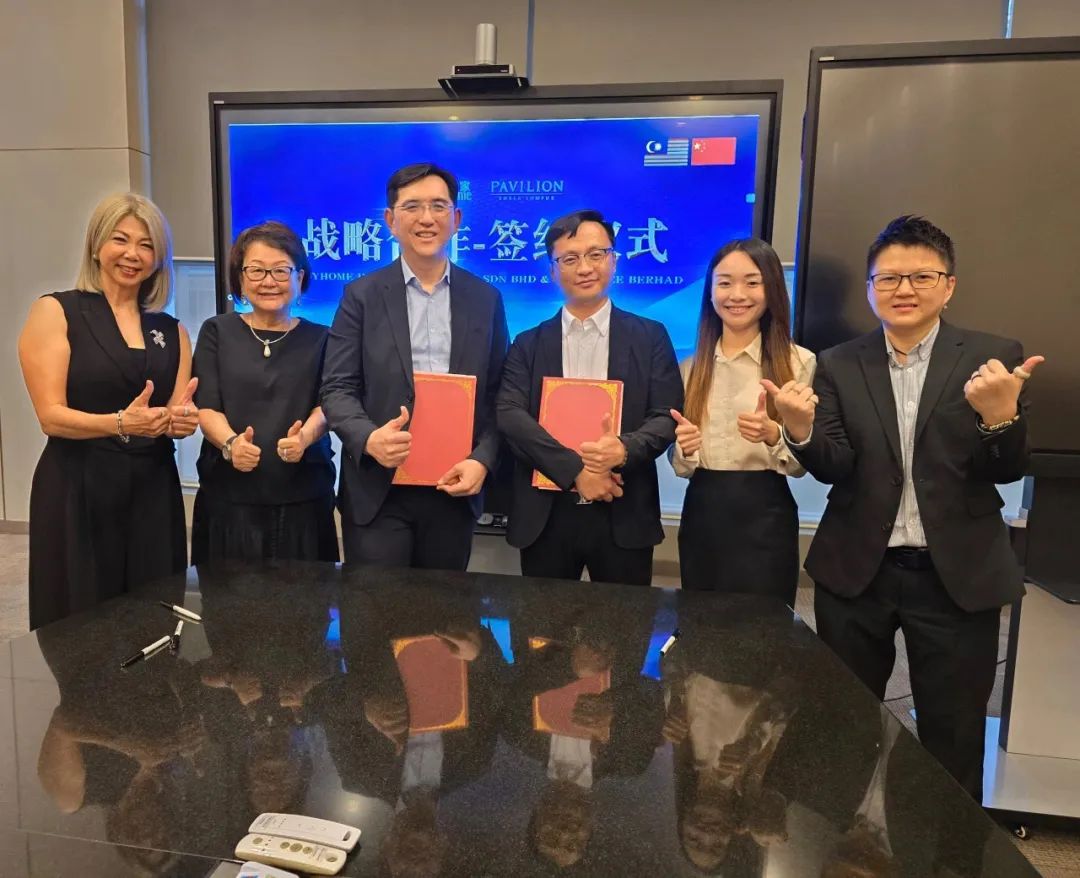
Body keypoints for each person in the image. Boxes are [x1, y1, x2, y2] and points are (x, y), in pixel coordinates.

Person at [769, 215, 1044, 799]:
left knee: (952, 733)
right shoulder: (839, 362)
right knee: (842, 721)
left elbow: (1006, 469)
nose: (904, 289)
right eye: (888, 278)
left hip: (956, 575)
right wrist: (799, 431)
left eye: (922, 276)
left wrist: (1001, 418)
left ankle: (944, 846)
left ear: (949, 285)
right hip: (857, 572)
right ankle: (840, 840)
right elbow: (836, 465)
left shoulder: (992, 356)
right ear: (871, 288)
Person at [18, 193, 198, 630]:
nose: (132, 254)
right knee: (78, 623)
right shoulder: (56, 311)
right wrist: (119, 423)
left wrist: (181, 422)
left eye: (146, 245)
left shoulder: (171, 329)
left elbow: (175, 414)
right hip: (77, 486)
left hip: (153, 490)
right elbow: (50, 416)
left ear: (159, 258)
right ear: (97, 245)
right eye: (121, 239)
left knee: (154, 615)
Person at [321, 162, 508, 570]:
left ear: (457, 219)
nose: (426, 218)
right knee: (375, 606)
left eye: (439, 206)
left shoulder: (485, 299)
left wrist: (482, 459)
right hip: (379, 490)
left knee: (445, 608)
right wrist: (369, 438)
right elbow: (337, 388)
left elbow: (501, 396)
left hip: (453, 485)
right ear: (390, 220)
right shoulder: (361, 295)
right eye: (412, 207)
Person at [496, 209, 683, 585]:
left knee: (624, 620)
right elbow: (509, 414)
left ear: (614, 260)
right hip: (546, 514)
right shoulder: (527, 343)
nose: (585, 267)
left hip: (623, 506)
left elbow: (666, 415)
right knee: (543, 620)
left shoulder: (650, 337)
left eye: (596, 254)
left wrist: (623, 449)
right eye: (569, 258)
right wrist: (576, 472)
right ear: (552, 271)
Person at [669, 238, 816, 603]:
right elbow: (681, 465)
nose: (737, 295)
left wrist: (774, 434)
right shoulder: (690, 368)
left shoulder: (799, 363)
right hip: (702, 510)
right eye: (724, 283)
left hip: (766, 514)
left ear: (772, 289)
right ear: (710, 292)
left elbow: (803, 464)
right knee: (700, 617)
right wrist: (684, 449)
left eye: (752, 282)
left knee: (765, 624)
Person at [190, 221, 337, 564]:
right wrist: (231, 444)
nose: (268, 281)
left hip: (304, 500)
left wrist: (305, 438)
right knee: (228, 596)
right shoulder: (217, 331)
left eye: (281, 270)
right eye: (256, 270)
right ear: (240, 279)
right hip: (230, 500)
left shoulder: (322, 338)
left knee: (306, 597)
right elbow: (207, 406)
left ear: (300, 277)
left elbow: (329, 404)